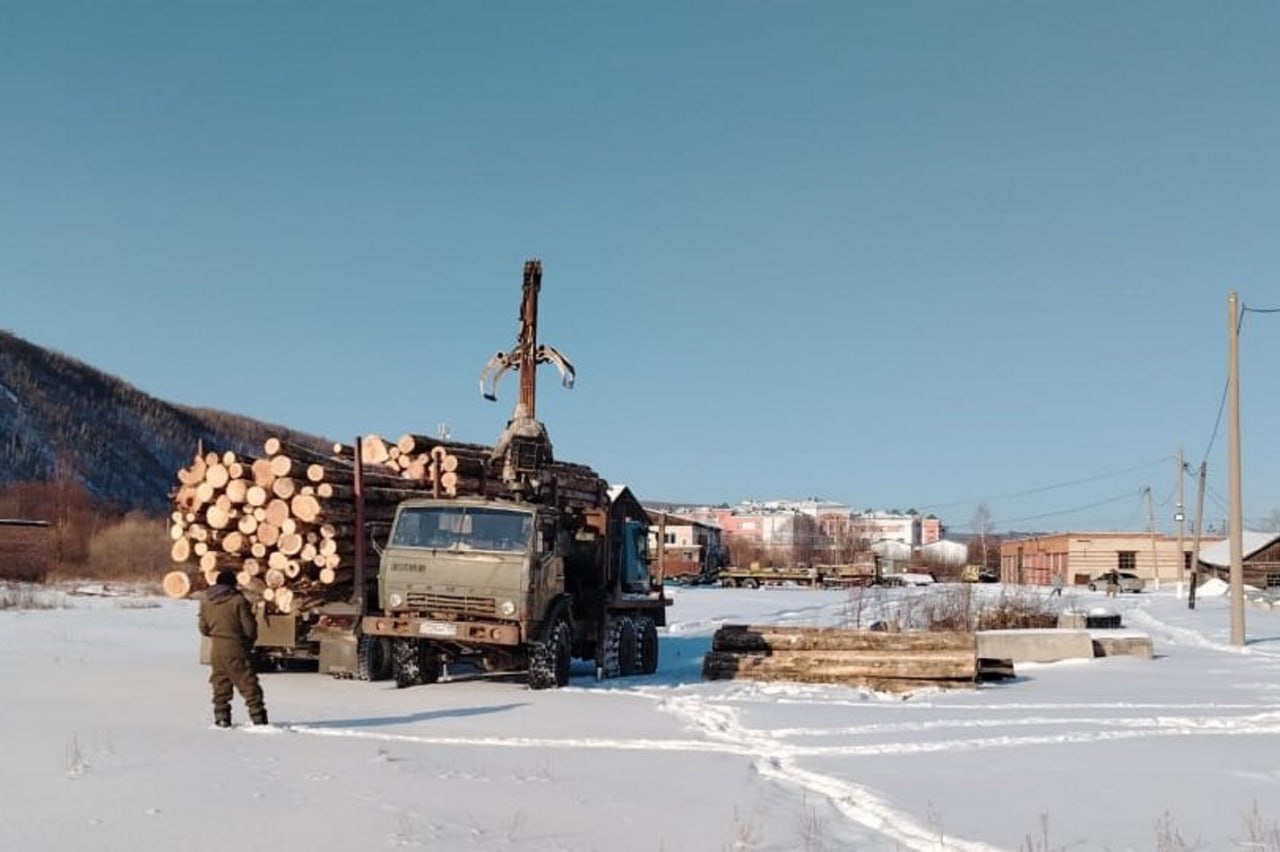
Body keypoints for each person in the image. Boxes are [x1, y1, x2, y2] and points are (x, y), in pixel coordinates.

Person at [198, 570, 268, 727]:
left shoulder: (207, 601)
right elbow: (249, 628)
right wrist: (249, 642)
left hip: (216, 650)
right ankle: (259, 718)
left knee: (220, 685)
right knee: (248, 684)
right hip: (236, 647)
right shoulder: (238, 600)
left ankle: (222, 717)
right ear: (232, 584)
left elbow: (203, 628)